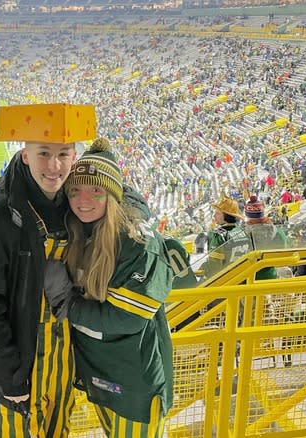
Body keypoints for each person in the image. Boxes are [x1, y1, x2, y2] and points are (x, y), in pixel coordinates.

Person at [0, 103, 96, 437]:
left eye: (63, 154)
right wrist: (7, 375)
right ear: (24, 155)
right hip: (20, 367)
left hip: (65, 364)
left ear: (75, 156)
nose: (54, 166)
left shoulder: (79, 210)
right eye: (43, 153)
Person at [43, 139, 175, 435]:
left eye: (96, 190)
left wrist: (68, 304)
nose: (83, 199)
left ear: (113, 196)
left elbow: (127, 317)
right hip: (98, 371)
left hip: (133, 380)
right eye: (75, 190)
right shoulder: (79, 230)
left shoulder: (138, 243)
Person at [200, 195, 249, 279]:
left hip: (225, 282)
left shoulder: (218, 235)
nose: (214, 216)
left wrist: (204, 269)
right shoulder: (243, 231)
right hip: (241, 278)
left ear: (227, 216)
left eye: (218, 213)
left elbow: (214, 267)